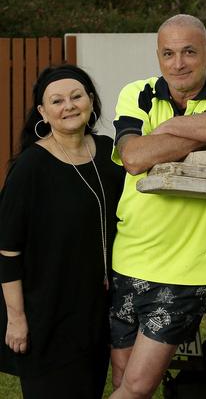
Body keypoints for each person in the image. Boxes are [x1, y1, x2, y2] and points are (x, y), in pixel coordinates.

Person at [108, 14, 206, 399]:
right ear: (158, 57)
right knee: (123, 380)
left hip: (186, 267)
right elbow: (134, 158)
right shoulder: (136, 92)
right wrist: (203, 137)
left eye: (189, 52)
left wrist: (163, 133)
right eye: (169, 54)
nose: (179, 63)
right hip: (129, 255)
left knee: (138, 388)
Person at [0, 65, 125, 398]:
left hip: (94, 314)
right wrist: (16, 318)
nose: (68, 106)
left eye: (76, 96)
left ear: (91, 100)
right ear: (43, 111)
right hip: (46, 315)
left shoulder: (110, 153)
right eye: (57, 101)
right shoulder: (31, 167)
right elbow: (7, 250)